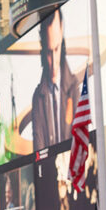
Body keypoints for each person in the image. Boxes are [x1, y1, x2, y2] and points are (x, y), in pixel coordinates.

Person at [30, 8, 81, 152]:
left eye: (57, 49)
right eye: (48, 52)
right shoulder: (38, 97)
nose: (53, 61)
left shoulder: (75, 89)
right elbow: (38, 152)